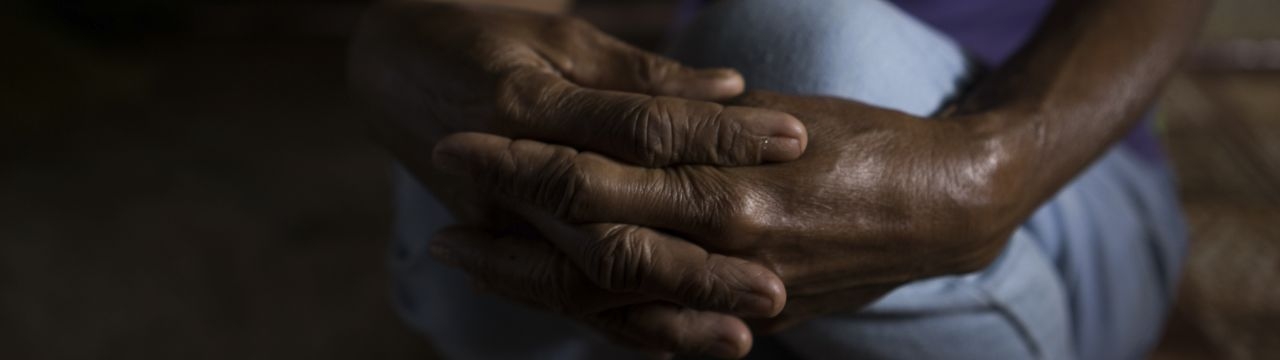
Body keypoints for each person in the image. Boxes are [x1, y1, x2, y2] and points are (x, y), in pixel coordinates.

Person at [348, 0, 1206, 358]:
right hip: (716, 78)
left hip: (1053, 179)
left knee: (809, 54)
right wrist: (402, 47)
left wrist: (994, 167)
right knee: (481, 107)